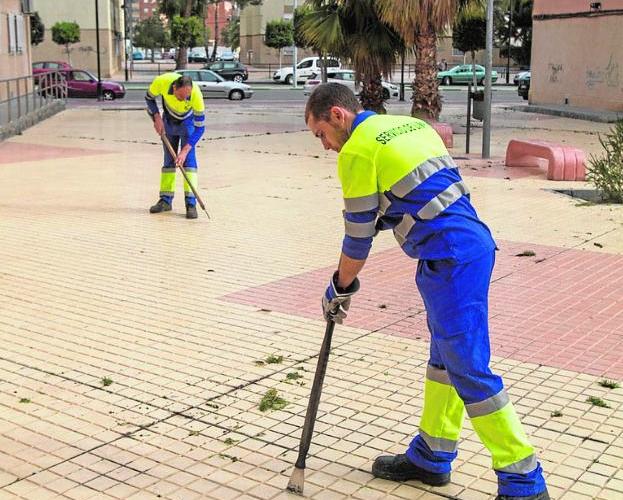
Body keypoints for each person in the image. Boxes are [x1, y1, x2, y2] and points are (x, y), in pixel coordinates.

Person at [306, 83, 549, 500]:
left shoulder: (358, 151)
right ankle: (432, 456)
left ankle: (523, 480)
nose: (325, 147)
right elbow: (419, 195)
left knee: (469, 368)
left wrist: (339, 288)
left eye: (320, 135)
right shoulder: (408, 125)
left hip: (451, 260)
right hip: (468, 250)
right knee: (444, 362)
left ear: (337, 115)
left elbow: (358, 238)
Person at [145, 73, 205, 219]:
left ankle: (191, 204)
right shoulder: (161, 82)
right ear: (174, 88)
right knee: (169, 163)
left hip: (188, 124)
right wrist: (156, 117)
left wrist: (185, 150)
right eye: (180, 96)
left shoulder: (196, 95)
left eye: (187, 97)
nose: (184, 100)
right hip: (168, 123)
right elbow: (149, 98)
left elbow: (200, 128)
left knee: (189, 164)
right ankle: (165, 201)